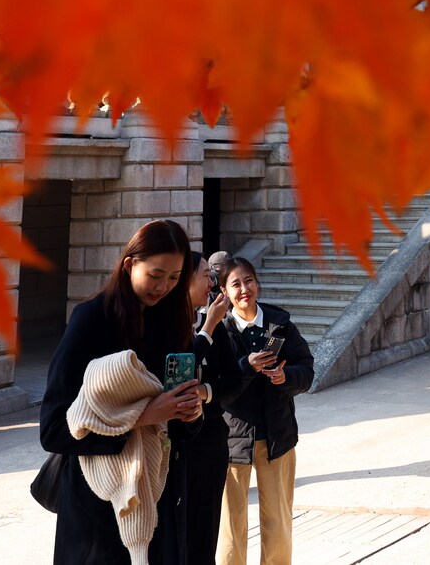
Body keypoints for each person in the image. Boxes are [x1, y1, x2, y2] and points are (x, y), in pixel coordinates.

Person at [39, 219, 207, 565]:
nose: (163, 287)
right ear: (130, 263)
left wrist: (188, 413)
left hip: (158, 495)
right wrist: (141, 417)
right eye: (155, 274)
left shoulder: (174, 323)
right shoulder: (92, 319)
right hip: (97, 505)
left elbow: (175, 425)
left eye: (175, 278)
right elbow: (54, 428)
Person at [208, 256, 315, 565]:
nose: (245, 289)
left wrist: (286, 378)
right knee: (229, 526)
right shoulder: (216, 331)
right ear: (224, 292)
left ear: (258, 283)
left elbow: (306, 370)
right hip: (230, 441)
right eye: (236, 284)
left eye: (249, 280)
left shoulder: (280, 325)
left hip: (277, 437)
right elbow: (213, 385)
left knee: (278, 521)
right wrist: (246, 366)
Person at [187, 250, 232, 564]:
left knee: (203, 534)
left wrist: (206, 391)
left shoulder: (214, 324)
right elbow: (172, 375)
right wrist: (207, 330)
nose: (211, 282)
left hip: (210, 440)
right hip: (170, 447)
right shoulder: (157, 326)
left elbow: (232, 380)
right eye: (205, 275)